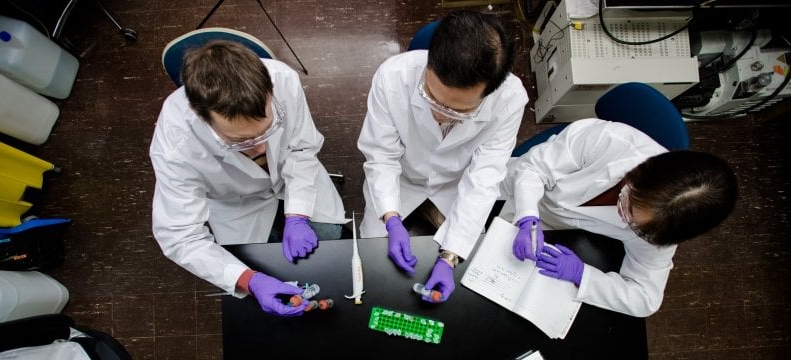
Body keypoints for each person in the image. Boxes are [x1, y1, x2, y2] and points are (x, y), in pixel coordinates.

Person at [150, 40, 347, 317]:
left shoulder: (283, 79)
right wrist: (248, 280)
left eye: (268, 131)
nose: (259, 148)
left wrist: (297, 215)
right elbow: (180, 236)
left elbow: (302, 148)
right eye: (240, 140)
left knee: (329, 236)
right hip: (236, 204)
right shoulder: (176, 142)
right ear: (199, 114)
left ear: (269, 90)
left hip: (292, 179)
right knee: (261, 265)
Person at [358, 10, 527, 303]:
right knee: (373, 255)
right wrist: (390, 217)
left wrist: (449, 257)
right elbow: (381, 156)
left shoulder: (510, 100)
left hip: (454, 184)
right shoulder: (393, 76)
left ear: (491, 91)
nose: (439, 114)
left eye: (458, 111)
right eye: (430, 98)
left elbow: (484, 178)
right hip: (401, 177)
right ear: (430, 60)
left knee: (472, 259)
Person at [499, 118, 738, 316]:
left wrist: (583, 275)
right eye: (628, 203)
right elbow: (531, 170)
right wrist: (528, 215)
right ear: (638, 174)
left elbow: (645, 299)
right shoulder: (609, 141)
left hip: (561, 229)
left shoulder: (664, 228)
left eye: (634, 226)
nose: (622, 218)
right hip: (518, 189)